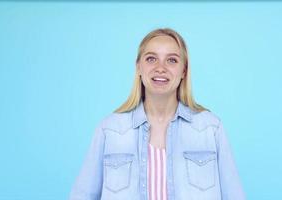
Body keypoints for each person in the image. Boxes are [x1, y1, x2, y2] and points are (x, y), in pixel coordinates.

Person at [69, 28, 245, 200]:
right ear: (138, 67)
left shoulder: (210, 128)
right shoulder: (109, 130)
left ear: (184, 71)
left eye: (172, 60)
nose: (160, 68)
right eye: (151, 59)